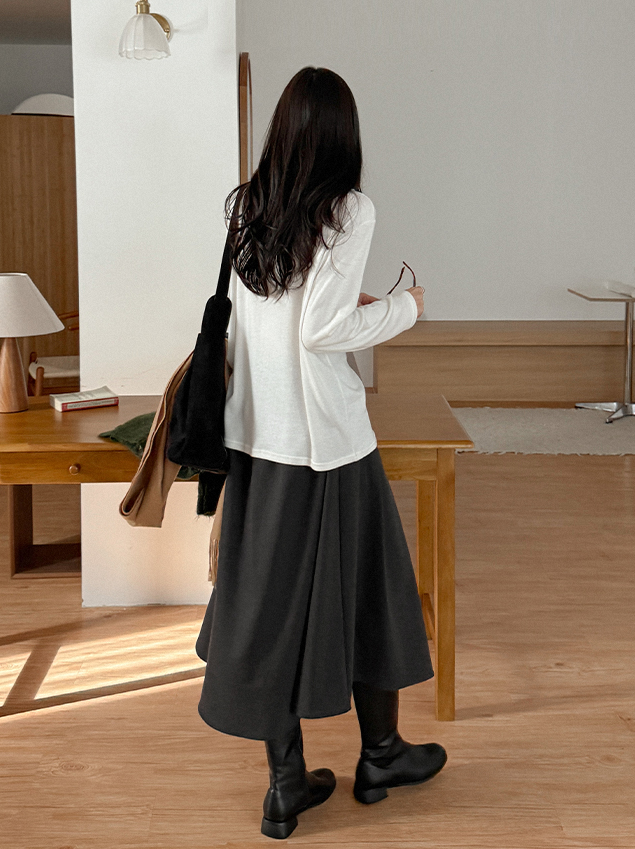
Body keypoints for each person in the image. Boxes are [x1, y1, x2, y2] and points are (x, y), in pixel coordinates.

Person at [195, 66, 447, 840]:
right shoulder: (349, 208)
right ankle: (381, 756)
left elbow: (271, 315)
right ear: (344, 132)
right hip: (328, 448)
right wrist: (405, 307)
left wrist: (347, 304)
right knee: (374, 594)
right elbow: (322, 331)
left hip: (256, 439)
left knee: (265, 609)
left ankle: (285, 786)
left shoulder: (248, 204)